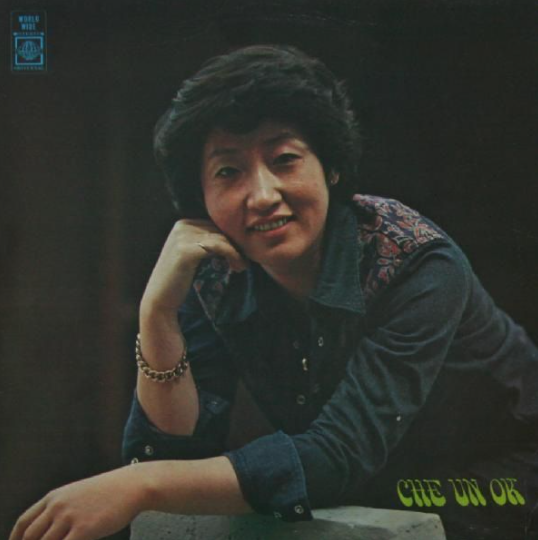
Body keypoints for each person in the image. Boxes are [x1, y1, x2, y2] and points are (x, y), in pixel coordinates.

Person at [10, 45, 538, 540]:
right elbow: (173, 453)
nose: (262, 195)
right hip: (372, 489)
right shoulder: (214, 272)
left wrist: (139, 485)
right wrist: (159, 312)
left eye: (284, 159)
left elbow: (333, 457)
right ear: (202, 198)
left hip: (502, 481)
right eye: (228, 171)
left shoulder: (415, 261)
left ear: (331, 168)